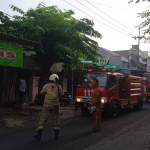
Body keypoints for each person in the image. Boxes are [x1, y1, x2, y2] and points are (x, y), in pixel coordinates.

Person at [34, 74, 64, 141]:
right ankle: (56, 135)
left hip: (47, 105)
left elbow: (42, 93)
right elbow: (62, 94)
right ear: (55, 79)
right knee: (56, 119)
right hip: (55, 106)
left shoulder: (46, 86)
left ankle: (39, 135)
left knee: (43, 119)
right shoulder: (59, 87)